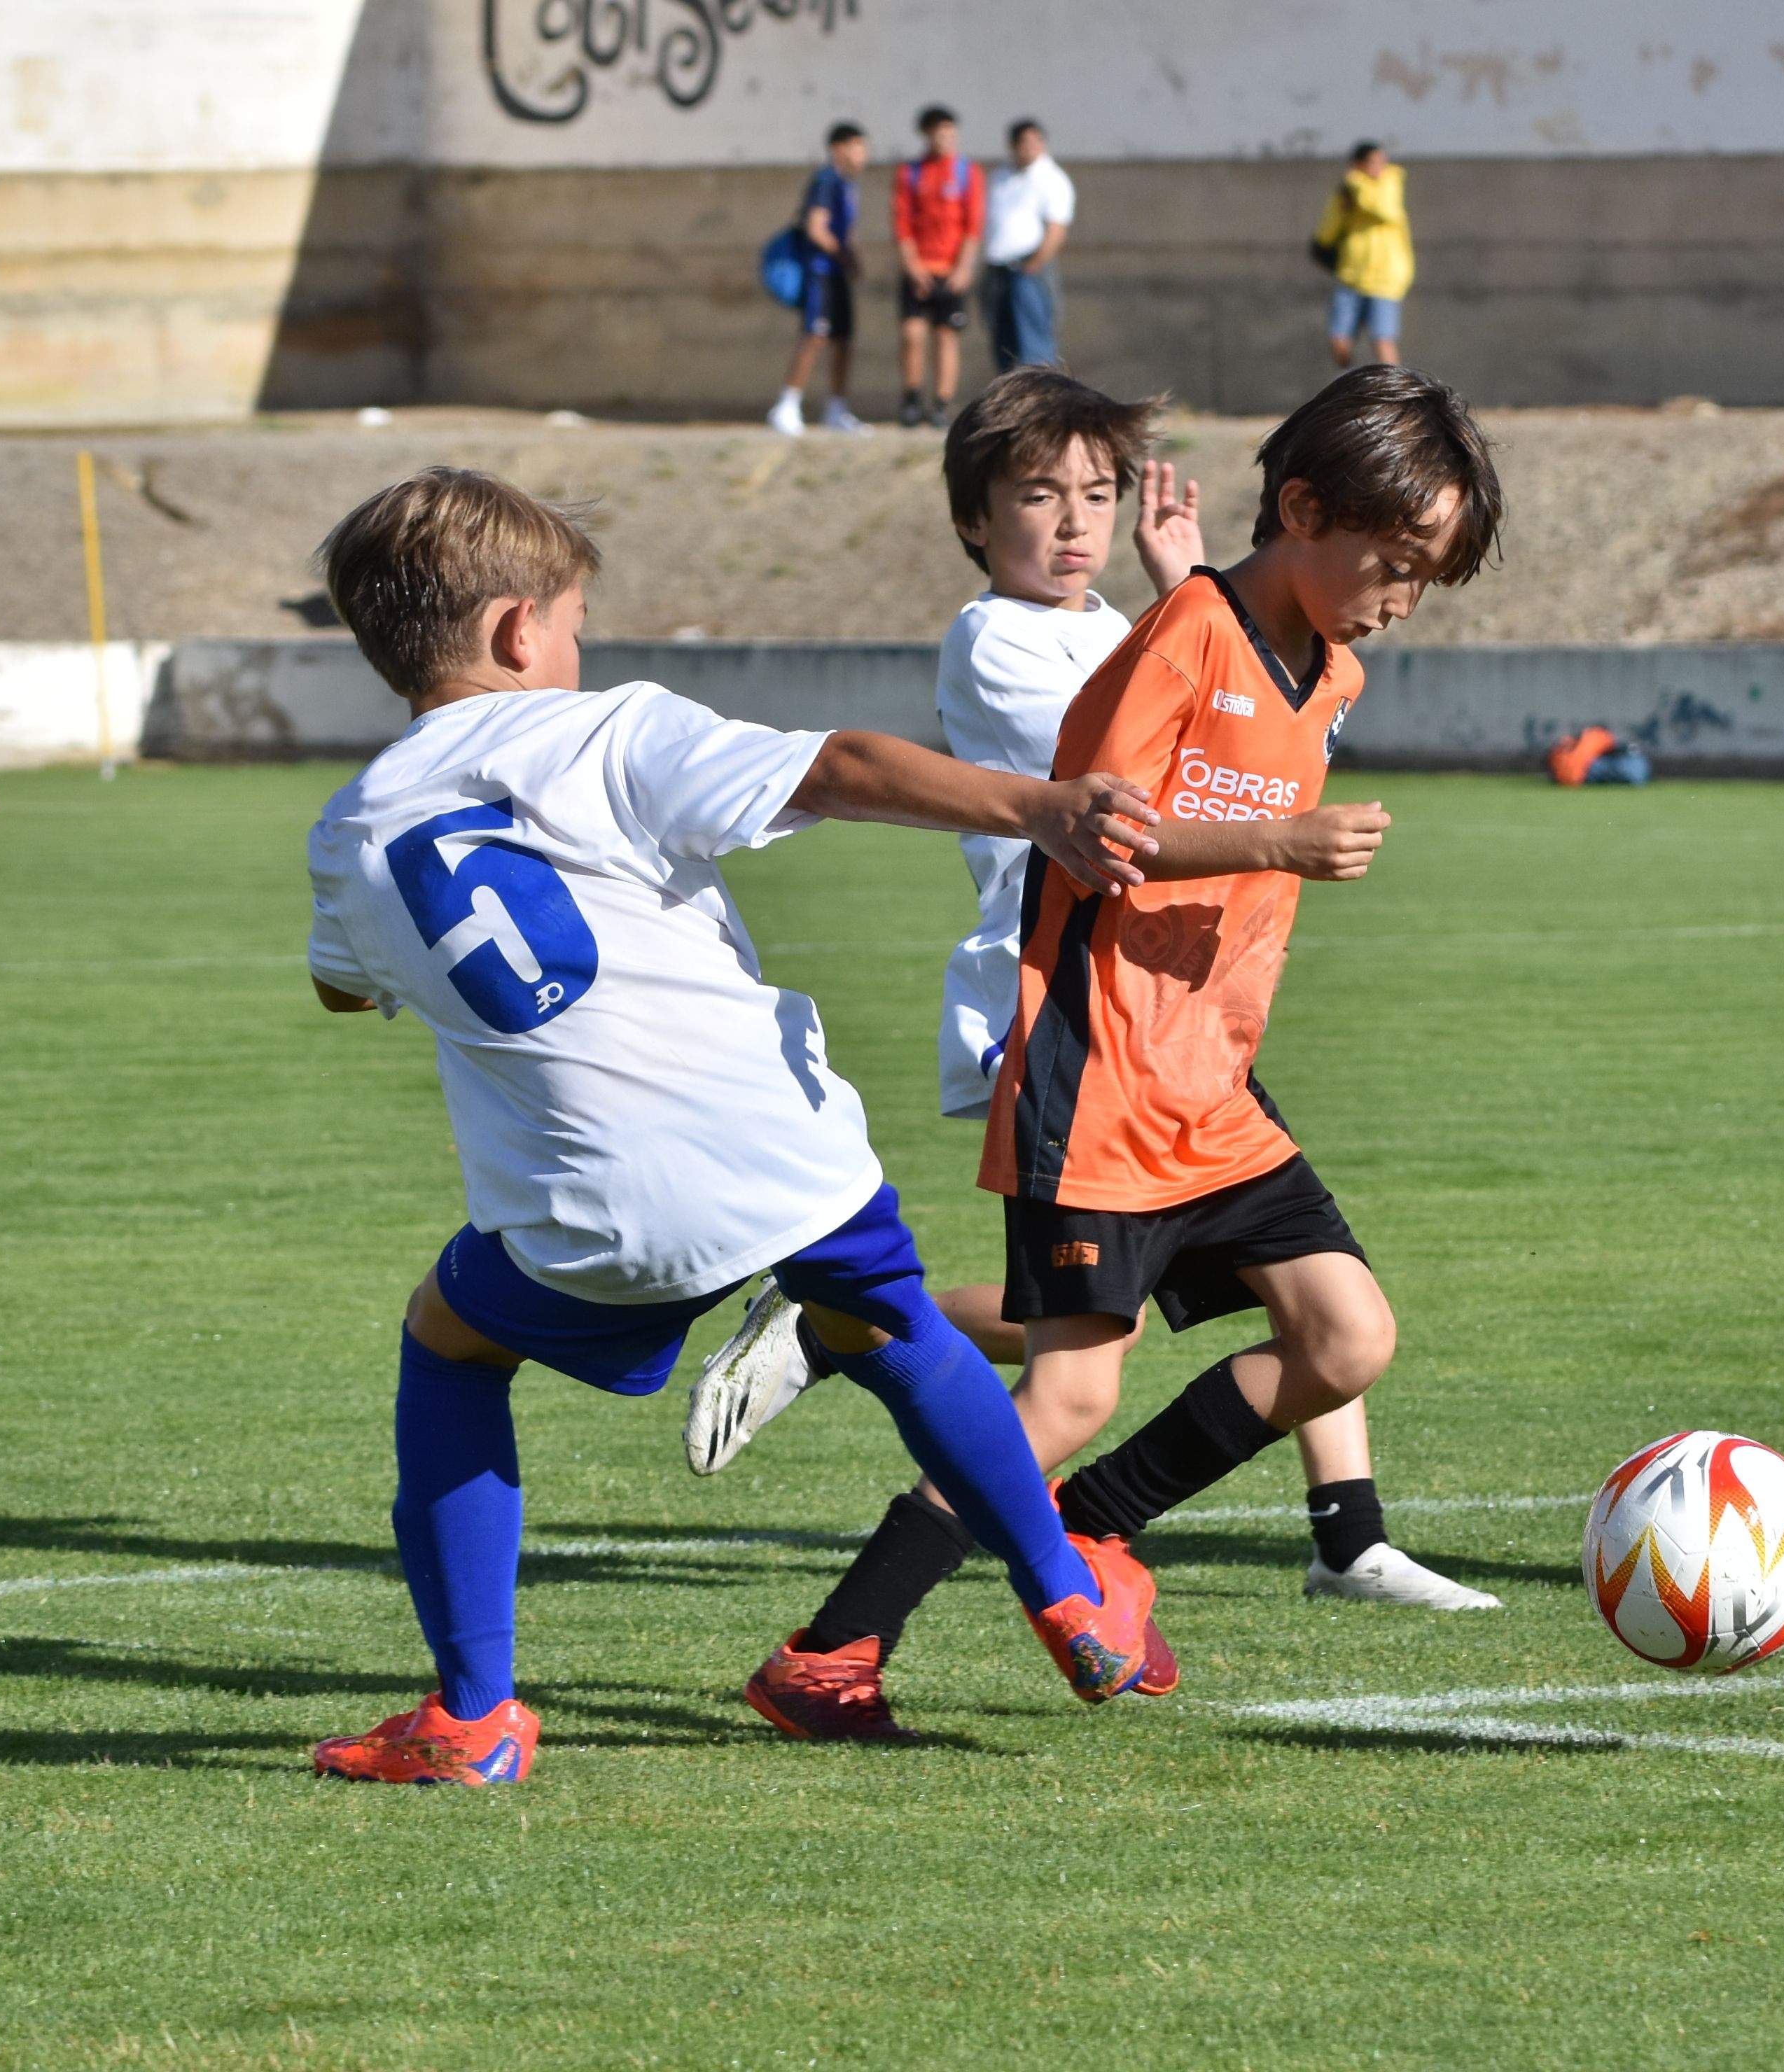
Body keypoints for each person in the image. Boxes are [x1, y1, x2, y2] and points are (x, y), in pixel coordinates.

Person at [298, 468, 1169, 1783]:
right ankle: (1069, 1595)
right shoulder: (604, 732)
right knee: (893, 1326)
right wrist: (1039, 805)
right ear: (520, 633)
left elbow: (338, 979)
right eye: (577, 622)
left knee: (451, 1345)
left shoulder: (352, 829)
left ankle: (472, 1718)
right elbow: (841, 767)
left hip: (591, 1210)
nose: (582, 651)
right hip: (785, 1150)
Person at [739, 367, 1507, 1737]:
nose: (1399, 597)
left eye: (1424, 579)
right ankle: (833, 1649)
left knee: (1344, 1337)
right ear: (1303, 508)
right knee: (1072, 1386)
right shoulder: (1180, 640)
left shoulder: (1329, 664)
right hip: (1100, 1065)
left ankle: (1095, 1536)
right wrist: (1277, 841)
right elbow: (1092, 830)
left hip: (1213, 1078)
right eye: (1391, 564)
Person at [768, 121, 870, 438]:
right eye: (857, 147)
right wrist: (842, 255)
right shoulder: (826, 181)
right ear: (839, 149)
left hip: (838, 274)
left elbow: (845, 230)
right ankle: (787, 403)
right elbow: (817, 227)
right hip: (820, 272)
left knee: (843, 340)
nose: (862, 155)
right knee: (814, 335)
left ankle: (837, 408)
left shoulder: (848, 185)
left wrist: (851, 258)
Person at [893, 105, 988, 428]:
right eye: (939, 134)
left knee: (946, 336)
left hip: (951, 269)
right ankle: (911, 398)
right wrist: (913, 268)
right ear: (927, 135)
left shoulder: (966, 172)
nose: (946, 140)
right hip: (920, 269)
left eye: (951, 133)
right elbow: (902, 226)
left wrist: (964, 269)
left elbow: (973, 226)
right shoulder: (911, 173)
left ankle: (942, 404)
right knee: (913, 333)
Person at [982, 117, 1075, 372]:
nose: (1031, 147)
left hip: (1029, 269)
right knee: (1004, 343)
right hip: (998, 268)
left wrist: (1034, 265)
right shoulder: (1001, 176)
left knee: (1034, 344)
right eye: (1025, 142)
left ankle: (1042, 403)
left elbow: (1057, 229)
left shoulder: (1051, 178)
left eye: (1037, 141)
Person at [1315, 141, 1414, 368]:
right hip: (1352, 275)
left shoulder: (1391, 182)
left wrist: (1356, 184)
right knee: (1339, 340)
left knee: (1382, 340)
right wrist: (1343, 203)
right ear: (1358, 164)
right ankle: (1351, 386)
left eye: (1382, 162)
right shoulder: (1348, 192)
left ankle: (1397, 393)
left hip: (1385, 279)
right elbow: (1328, 231)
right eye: (1372, 162)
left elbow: (1384, 209)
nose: (1378, 167)